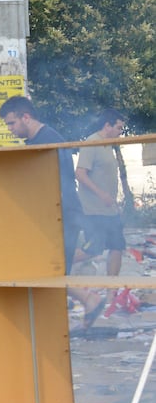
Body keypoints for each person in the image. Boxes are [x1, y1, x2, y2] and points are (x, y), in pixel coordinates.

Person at [0, 95, 105, 326]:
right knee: (48, 270)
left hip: (62, 215)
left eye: (11, 123)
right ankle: (85, 301)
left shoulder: (48, 141)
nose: (10, 129)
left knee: (51, 271)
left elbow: (55, 184)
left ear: (26, 117)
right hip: (53, 215)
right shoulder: (39, 141)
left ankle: (86, 301)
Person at [77, 109, 127, 285]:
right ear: (107, 125)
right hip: (94, 210)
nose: (121, 132)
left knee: (117, 247)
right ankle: (56, 266)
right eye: (119, 128)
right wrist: (102, 195)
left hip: (109, 210)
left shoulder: (108, 145)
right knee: (92, 250)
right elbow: (80, 174)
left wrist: (113, 202)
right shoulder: (92, 143)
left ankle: (111, 293)